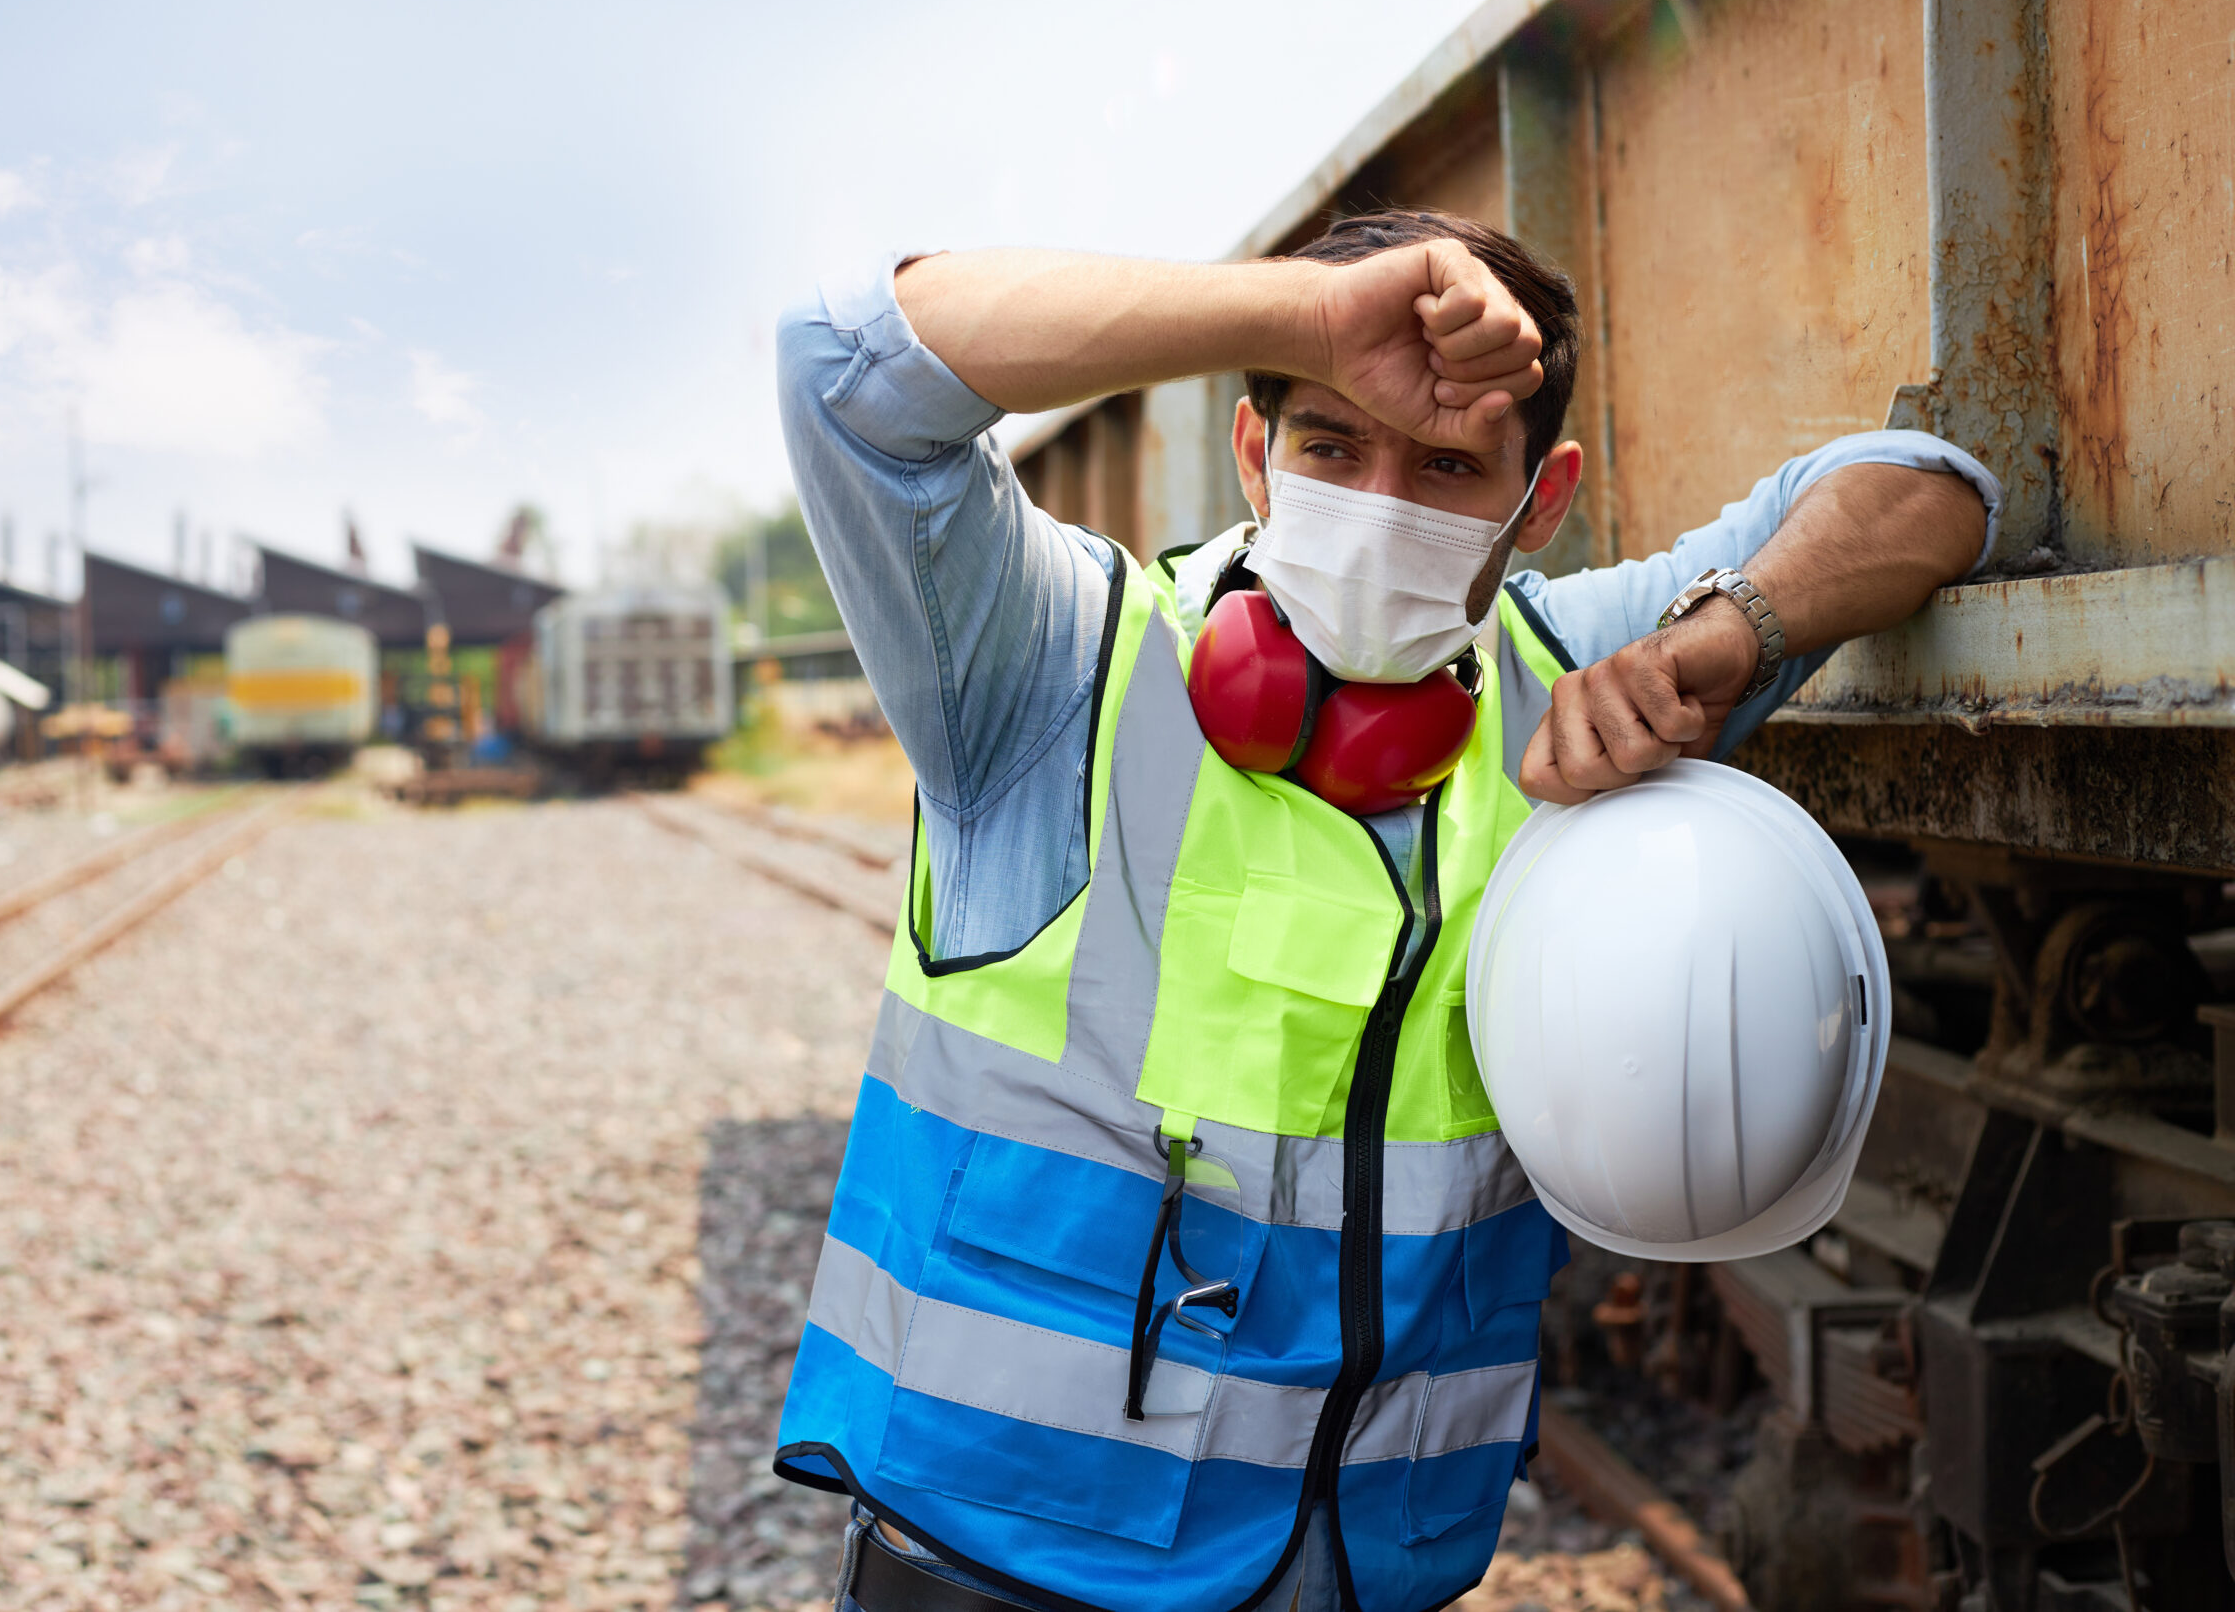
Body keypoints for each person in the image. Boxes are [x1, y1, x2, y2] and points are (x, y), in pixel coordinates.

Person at [768, 211, 1998, 1612]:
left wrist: (1730, 634)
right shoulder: (1052, 669)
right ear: (1254, 452)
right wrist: (1304, 315)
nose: (1379, 502)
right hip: (1008, 1569)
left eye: (1450, 465)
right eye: (1333, 444)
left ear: (1542, 503)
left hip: (1370, 1579)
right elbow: (846, 357)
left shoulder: (1569, 675)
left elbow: (1930, 491)